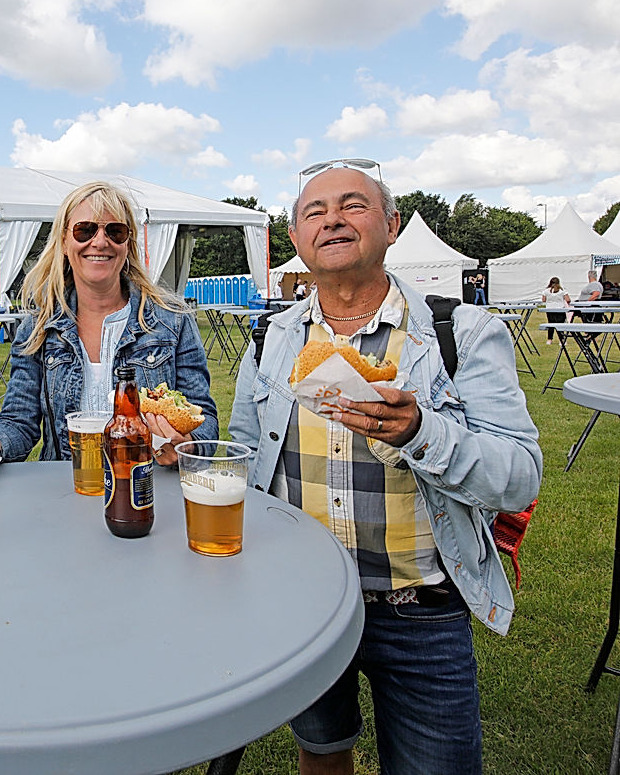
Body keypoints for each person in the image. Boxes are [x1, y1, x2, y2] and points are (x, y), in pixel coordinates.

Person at [230, 165, 541, 775]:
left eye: (353, 205)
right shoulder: (271, 339)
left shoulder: (460, 333)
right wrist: (180, 452)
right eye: (315, 211)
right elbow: (245, 458)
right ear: (297, 239)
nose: (333, 219)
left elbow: (520, 475)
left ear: (392, 225)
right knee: (322, 754)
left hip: (421, 607)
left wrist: (422, 431)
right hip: (308, 602)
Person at [0, 180, 218, 475]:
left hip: (147, 494)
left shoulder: (173, 320)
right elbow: (18, 421)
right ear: (64, 241)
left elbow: (203, 417)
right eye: (85, 230)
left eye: (115, 231)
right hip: (66, 493)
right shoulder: (38, 328)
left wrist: (188, 445)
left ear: (127, 244)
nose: (100, 242)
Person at [542, 276, 570, 343]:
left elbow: (543, 300)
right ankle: (562, 340)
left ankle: (549, 339)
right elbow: (568, 299)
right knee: (560, 325)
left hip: (549, 309)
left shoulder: (546, 291)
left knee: (551, 324)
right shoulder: (562, 291)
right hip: (560, 309)